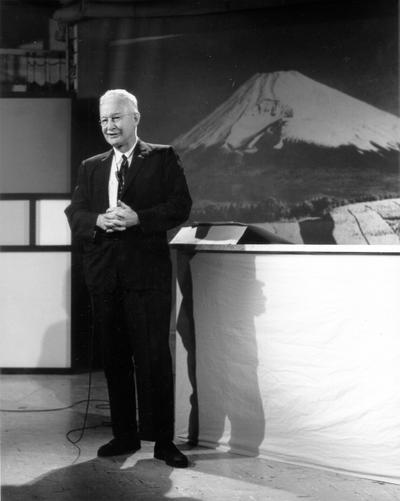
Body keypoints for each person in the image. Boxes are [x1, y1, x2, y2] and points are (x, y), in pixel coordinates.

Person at [65, 89, 192, 468]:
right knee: (116, 359)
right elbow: (76, 212)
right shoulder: (91, 166)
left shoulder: (163, 157)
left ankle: (163, 442)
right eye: (104, 120)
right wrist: (97, 220)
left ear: (136, 117)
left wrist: (140, 218)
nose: (109, 126)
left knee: (153, 358)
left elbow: (180, 206)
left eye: (116, 118)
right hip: (105, 277)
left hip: (146, 275)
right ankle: (125, 435)